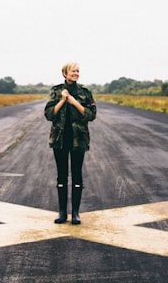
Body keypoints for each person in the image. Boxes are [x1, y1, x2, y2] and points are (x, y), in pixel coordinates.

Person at [44, 62, 96, 224]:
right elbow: (49, 115)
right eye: (73, 71)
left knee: (77, 175)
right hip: (60, 139)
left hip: (78, 139)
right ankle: (62, 213)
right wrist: (62, 101)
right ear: (65, 74)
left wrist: (74, 102)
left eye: (78, 71)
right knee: (61, 176)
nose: (76, 73)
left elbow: (91, 115)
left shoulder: (85, 92)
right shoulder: (56, 91)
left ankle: (75, 213)